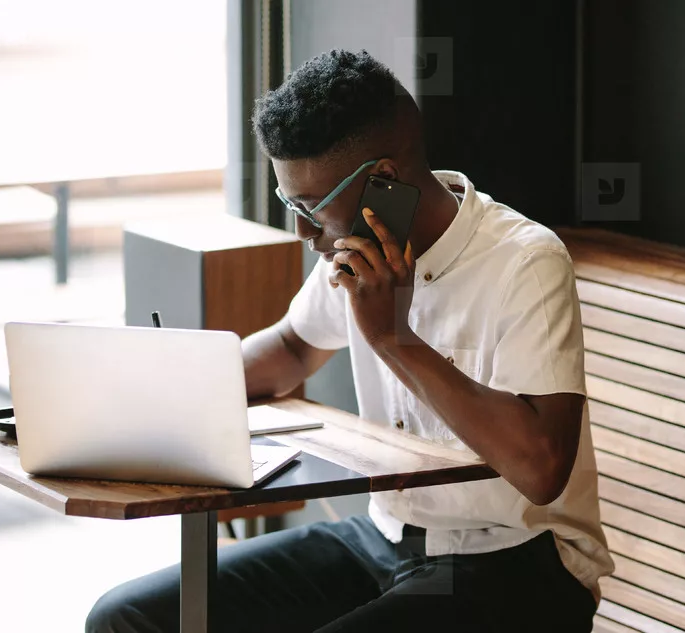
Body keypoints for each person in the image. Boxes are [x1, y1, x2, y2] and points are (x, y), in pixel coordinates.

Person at [86, 49, 613, 633]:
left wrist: (394, 338)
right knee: (126, 619)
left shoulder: (524, 263)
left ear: (383, 181)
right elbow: (292, 347)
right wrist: (160, 394)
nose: (304, 234)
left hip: (517, 561)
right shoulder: (359, 247)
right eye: (291, 204)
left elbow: (540, 468)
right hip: (385, 536)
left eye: (311, 208)